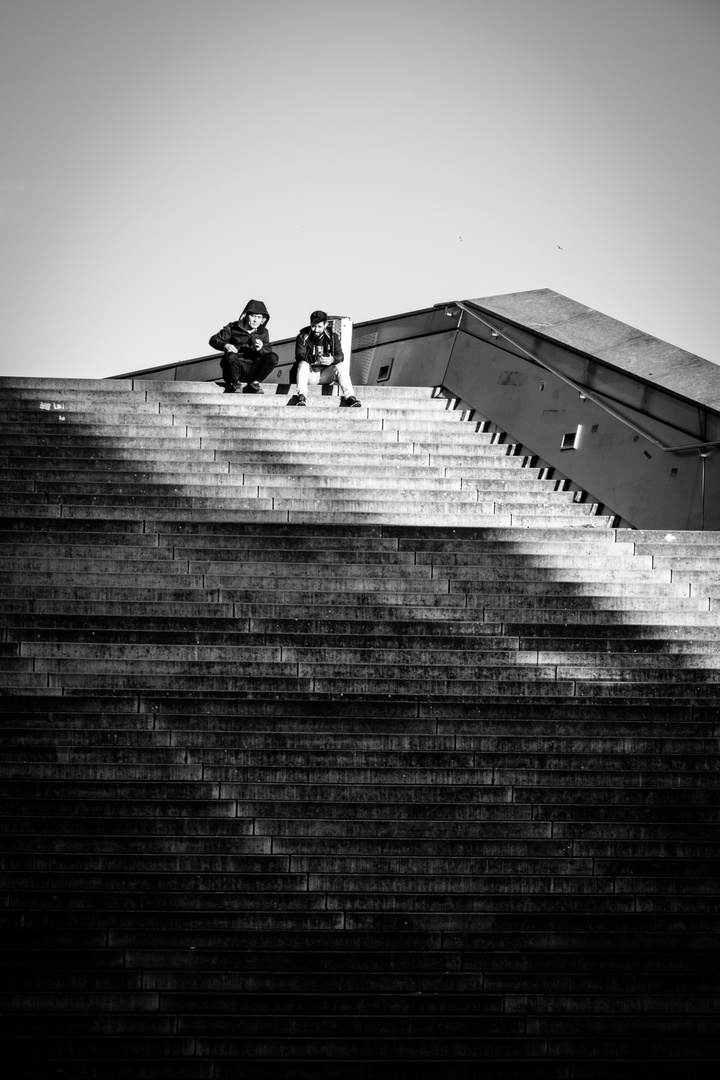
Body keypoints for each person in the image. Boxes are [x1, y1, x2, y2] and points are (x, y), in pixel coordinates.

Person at [290, 310, 361, 407]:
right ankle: (302, 397)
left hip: (326, 374)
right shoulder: (302, 336)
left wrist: (332, 360)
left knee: (340, 365)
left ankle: (350, 397)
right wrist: (316, 358)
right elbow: (299, 355)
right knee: (302, 364)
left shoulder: (333, 337)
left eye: (319, 326)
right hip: (310, 374)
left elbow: (340, 356)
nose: (316, 329)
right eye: (313, 326)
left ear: (325, 325)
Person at [209, 299, 278, 393]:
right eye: (253, 316)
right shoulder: (233, 327)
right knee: (229, 357)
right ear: (246, 316)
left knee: (273, 357)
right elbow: (214, 339)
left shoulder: (263, 332)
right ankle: (235, 384)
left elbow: (268, 353)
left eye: (259, 317)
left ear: (262, 319)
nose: (256, 320)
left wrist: (261, 349)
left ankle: (255, 383)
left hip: (252, 369)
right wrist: (225, 345)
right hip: (235, 368)